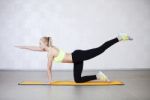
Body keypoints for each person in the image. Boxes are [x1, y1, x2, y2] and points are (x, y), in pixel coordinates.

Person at [15, 33, 133, 83]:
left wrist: (50, 80)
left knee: (100, 49)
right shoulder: (49, 48)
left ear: (45, 44)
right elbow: (34, 48)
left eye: (40, 43)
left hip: (77, 56)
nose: (38, 45)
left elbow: (48, 67)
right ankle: (98, 76)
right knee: (78, 80)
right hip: (76, 59)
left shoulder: (50, 52)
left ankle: (119, 37)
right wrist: (23, 47)